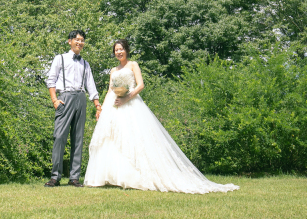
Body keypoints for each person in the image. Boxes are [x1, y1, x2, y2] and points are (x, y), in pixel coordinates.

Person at [84, 39, 239, 194]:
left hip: (130, 104)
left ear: (126, 50)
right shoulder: (113, 70)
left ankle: (136, 177)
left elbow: (140, 85)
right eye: (116, 50)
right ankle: (114, 177)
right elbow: (111, 90)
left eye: (121, 49)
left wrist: (126, 98)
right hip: (114, 106)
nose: (118, 52)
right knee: (112, 140)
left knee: (133, 139)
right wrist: (102, 108)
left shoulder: (133, 65)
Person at [44, 30, 101, 187]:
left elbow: (91, 85)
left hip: (81, 98)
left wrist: (97, 104)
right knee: (59, 136)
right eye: (77, 39)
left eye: (82, 40)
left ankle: (74, 177)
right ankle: (55, 176)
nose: (80, 42)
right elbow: (51, 80)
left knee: (78, 138)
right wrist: (55, 100)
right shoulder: (60, 58)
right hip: (65, 97)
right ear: (69, 41)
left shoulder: (85, 63)